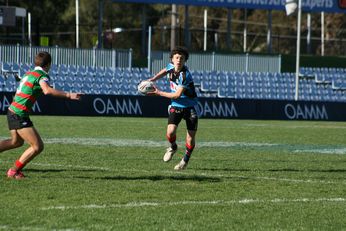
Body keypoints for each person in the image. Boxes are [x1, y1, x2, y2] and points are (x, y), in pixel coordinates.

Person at [0, 51, 82, 179]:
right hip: (19, 114)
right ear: (48, 64)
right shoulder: (42, 75)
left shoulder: (29, 74)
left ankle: (14, 170)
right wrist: (69, 95)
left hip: (12, 110)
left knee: (16, 142)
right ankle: (14, 171)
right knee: (37, 146)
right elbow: (47, 91)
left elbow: (17, 94)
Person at [148, 46, 198, 170]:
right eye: (177, 57)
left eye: (182, 58)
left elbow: (176, 95)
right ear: (172, 59)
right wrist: (153, 79)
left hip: (189, 107)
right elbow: (165, 70)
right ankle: (173, 147)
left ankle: (185, 160)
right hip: (176, 106)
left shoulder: (185, 76)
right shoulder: (171, 67)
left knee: (190, 137)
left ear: (185, 60)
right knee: (170, 132)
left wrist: (158, 93)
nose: (179, 60)